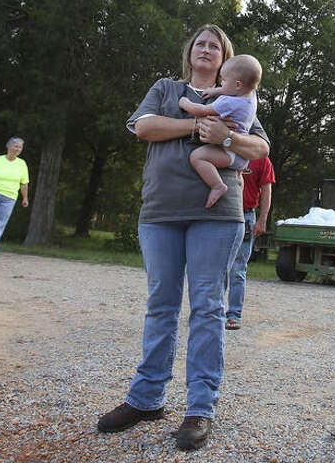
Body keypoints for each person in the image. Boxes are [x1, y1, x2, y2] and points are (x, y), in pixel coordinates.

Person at [96, 24, 269, 451]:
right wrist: (197, 129)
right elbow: (144, 128)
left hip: (218, 216)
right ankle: (146, 398)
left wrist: (226, 136)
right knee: (161, 304)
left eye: (215, 46)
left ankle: (199, 409)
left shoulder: (240, 98)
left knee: (208, 307)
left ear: (227, 61)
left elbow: (259, 150)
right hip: (161, 211)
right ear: (190, 52)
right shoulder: (167, 88)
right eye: (201, 44)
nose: (207, 49)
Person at [178, 54, 262, 208]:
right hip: (241, 152)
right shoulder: (250, 95)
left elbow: (202, 110)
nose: (221, 82)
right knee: (239, 181)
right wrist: (216, 91)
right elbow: (231, 89)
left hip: (229, 152)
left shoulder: (229, 102)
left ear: (237, 84)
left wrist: (185, 103)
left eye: (224, 80)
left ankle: (217, 185)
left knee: (197, 157)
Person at [224, 155, 274, 330]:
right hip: (221, 214)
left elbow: (267, 190)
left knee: (238, 269)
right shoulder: (224, 150)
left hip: (246, 216)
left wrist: (262, 219)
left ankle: (234, 315)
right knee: (217, 267)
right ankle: (211, 312)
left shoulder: (261, 158)